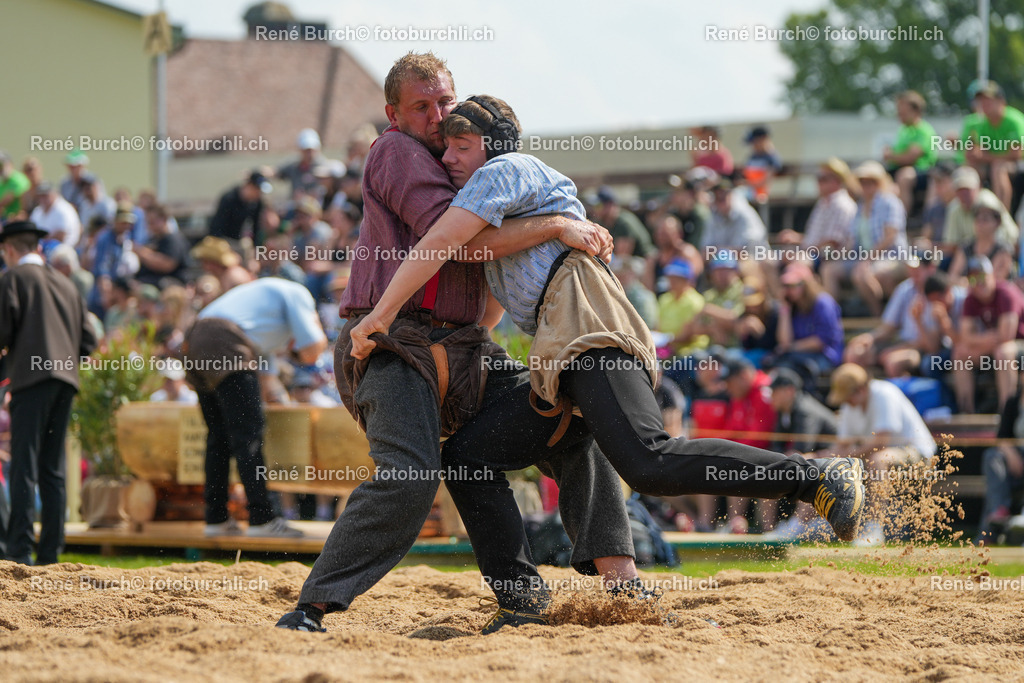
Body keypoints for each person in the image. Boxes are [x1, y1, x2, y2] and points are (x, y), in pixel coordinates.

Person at [348, 94, 866, 551]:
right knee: (468, 454)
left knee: (649, 463)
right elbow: (491, 294)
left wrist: (379, 316)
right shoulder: (499, 201)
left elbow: (441, 242)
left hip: (583, 322)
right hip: (563, 336)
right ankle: (523, 596)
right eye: (447, 147)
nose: (448, 158)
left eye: (462, 146)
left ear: (494, 146)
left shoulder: (501, 170)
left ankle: (816, 477)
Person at [278, 53, 640, 637]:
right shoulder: (395, 151)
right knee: (409, 474)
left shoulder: (474, 166)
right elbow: (458, 240)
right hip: (391, 339)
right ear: (393, 114)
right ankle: (312, 607)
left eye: (444, 102)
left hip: (468, 345)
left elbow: (487, 273)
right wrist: (555, 225)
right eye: (421, 106)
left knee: (569, 423)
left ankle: (611, 587)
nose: (436, 115)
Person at [183, 277, 328, 539]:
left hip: (195, 338)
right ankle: (262, 518)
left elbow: (268, 383)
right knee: (248, 435)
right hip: (225, 341)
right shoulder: (298, 294)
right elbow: (312, 351)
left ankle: (216, 518)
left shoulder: (260, 327)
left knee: (218, 437)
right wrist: (309, 339)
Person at [0, 221, 97, 564]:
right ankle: (51, 553)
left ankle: (19, 551)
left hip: (31, 379)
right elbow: (89, 340)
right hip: (65, 380)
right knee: (52, 468)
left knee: (24, 465)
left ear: (10, 249)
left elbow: (3, 331)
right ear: (37, 247)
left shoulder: (13, 278)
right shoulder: (67, 284)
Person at [827, 363, 937, 546]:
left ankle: (874, 529)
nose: (846, 402)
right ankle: (799, 525)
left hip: (920, 455)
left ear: (861, 390)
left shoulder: (885, 393)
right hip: (884, 456)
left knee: (878, 460)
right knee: (823, 463)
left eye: (848, 397)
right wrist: (822, 458)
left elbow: (881, 442)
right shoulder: (851, 404)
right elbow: (842, 445)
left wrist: (844, 457)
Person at [820, 161, 907, 316]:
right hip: (864, 258)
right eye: (862, 182)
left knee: (861, 275)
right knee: (829, 269)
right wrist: (837, 254)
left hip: (891, 257)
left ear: (879, 182)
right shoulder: (860, 207)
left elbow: (890, 237)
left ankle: (878, 316)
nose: (866, 185)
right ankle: (830, 317)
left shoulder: (890, 202)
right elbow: (853, 241)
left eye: (871, 181)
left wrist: (867, 259)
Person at [766, 368, 839, 540]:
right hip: (812, 457)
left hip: (832, 460)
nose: (771, 396)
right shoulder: (783, 410)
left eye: (774, 391)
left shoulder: (806, 410)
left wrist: (780, 458)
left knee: (803, 466)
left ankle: (795, 527)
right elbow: (777, 446)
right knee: (768, 469)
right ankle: (768, 530)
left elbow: (803, 448)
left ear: (789, 390)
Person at [952, 256, 1024, 414]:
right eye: (973, 279)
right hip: (994, 347)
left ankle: (1007, 414)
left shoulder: (1006, 293)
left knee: (1003, 352)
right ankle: (967, 412)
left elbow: (1006, 336)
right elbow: (965, 336)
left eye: (982, 277)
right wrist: (987, 338)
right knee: (960, 353)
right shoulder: (971, 299)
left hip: (1018, 345)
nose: (978, 283)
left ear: (992, 275)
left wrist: (978, 340)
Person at [771, 262, 843, 394]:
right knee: (776, 365)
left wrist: (791, 347)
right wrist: (785, 310)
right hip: (799, 355)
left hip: (824, 356)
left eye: (793, 285)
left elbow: (821, 341)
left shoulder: (823, 303)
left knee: (794, 368)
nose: (788, 290)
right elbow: (784, 341)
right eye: (786, 286)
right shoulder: (793, 307)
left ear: (806, 284)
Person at [965, 81, 1024, 210]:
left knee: (998, 168)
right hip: (998, 163)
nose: (984, 104)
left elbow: (1016, 154)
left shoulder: (1014, 120)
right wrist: (974, 154)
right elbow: (976, 150)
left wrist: (985, 156)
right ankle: (974, 211)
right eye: (981, 101)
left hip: (1018, 164)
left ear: (1001, 101)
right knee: (969, 169)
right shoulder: (982, 123)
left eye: (988, 100)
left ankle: (1001, 213)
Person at [778, 158, 858, 253]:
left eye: (823, 178)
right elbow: (817, 239)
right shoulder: (823, 202)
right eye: (818, 178)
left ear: (837, 181)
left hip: (828, 257)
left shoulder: (842, 205)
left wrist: (803, 251)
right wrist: (797, 238)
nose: (818, 182)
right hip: (814, 253)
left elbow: (832, 243)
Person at [882, 90, 936, 215]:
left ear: (915, 110)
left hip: (922, 171)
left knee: (904, 176)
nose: (899, 112)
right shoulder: (903, 130)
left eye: (903, 109)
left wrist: (891, 156)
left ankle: (902, 217)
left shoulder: (924, 130)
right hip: (899, 169)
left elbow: (911, 157)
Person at [208, 170, 278, 247]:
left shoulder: (256, 202)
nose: (259, 194)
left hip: (236, 241)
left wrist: (256, 247)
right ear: (250, 186)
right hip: (222, 241)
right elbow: (218, 225)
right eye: (258, 190)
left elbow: (256, 226)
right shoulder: (229, 198)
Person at [135, 203, 190, 286]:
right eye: (148, 222)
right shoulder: (153, 239)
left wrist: (141, 253)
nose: (150, 225)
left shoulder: (173, 239)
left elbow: (167, 265)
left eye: (153, 221)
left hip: (172, 283)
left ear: (164, 219)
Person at [277, 129, 327, 200]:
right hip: (296, 203)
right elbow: (277, 172)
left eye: (311, 150)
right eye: (306, 150)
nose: (309, 154)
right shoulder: (294, 166)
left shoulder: (324, 167)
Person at [29, 182, 81, 247]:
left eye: (45, 195)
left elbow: (61, 236)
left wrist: (42, 240)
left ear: (54, 194)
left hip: (64, 248)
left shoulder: (63, 209)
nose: (43, 198)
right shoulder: (38, 211)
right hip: (42, 247)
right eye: (40, 196)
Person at [0, 152, 31, 221]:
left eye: (2, 165)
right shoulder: (2, 183)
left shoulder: (18, 179)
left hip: (17, 220)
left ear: (10, 164)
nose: (1, 168)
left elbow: (6, 200)